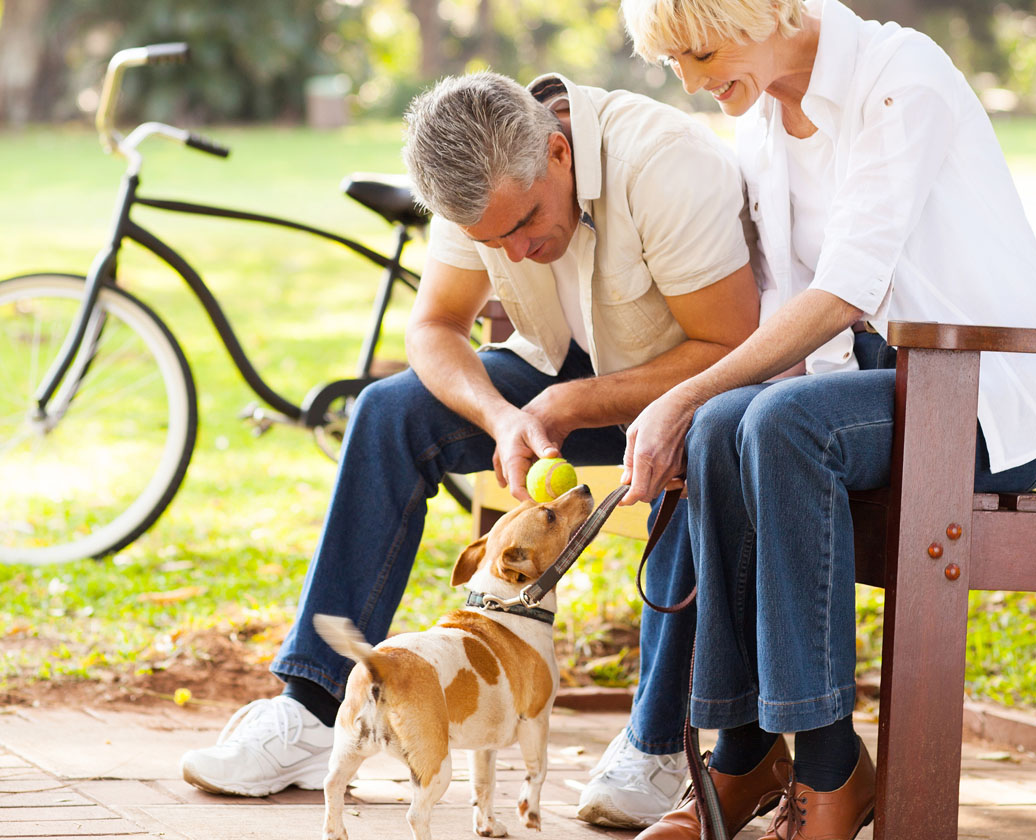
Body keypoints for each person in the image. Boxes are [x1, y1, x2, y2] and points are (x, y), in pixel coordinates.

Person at [179, 69, 760, 829]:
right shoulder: (477, 184)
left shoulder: (661, 165)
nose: (515, 255)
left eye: (525, 225)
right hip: (564, 367)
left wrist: (572, 402)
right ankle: (313, 705)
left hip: (703, 379)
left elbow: (733, 344)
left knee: (700, 441)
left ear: (558, 151)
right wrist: (498, 413)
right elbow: (434, 327)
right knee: (388, 412)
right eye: (493, 243)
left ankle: (654, 745)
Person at [614, 0, 1036, 838]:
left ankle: (831, 772)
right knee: (725, 428)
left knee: (776, 424)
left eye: (700, 53)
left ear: (767, 9)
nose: (693, 83)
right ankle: (742, 755)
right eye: (676, 67)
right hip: (872, 389)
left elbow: (845, 289)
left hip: (984, 398)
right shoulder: (766, 122)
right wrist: (700, 413)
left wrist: (679, 393)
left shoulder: (900, 77)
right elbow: (787, 311)